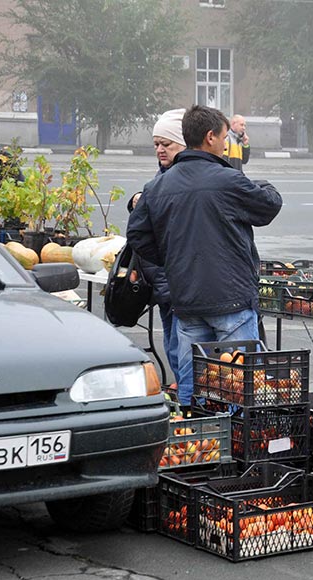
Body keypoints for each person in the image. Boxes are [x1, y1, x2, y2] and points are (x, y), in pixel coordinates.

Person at [127, 105, 283, 406]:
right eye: (224, 137)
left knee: (191, 383)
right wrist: (261, 183)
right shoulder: (227, 180)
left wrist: (172, 261)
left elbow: (137, 235)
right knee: (239, 386)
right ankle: (237, 441)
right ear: (210, 137)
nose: (227, 144)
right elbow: (270, 205)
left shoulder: (157, 187)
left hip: (187, 302)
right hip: (232, 301)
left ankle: (195, 438)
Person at [126, 108, 187, 393]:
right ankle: (182, 381)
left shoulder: (183, 176)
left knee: (182, 338)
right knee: (173, 338)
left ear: (184, 144)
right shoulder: (162, 175)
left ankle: (187, 387)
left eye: (167, 144)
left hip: (177, 275)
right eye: (156, 145)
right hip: (163, 274)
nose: (160, 150)